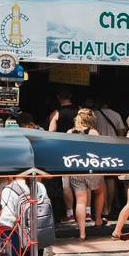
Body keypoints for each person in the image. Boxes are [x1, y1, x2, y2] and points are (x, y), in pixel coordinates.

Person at [66, 108, 105, 240]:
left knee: (80, 201)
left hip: (77, 169)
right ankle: (98, 220)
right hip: (92, 168)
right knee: (99, 192)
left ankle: (82, 233)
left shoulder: (70, 132)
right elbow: (100, 150)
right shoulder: (93, 132)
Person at [49, 91, 79, 220]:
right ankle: (87, 211)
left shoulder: (56, 113)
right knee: (81, 181)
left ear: (58, 97)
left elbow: (51, 132)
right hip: (80, 149)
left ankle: (70, 213)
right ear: (71, 96)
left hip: (63, 151)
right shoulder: (80, 111)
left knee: (66, 183)